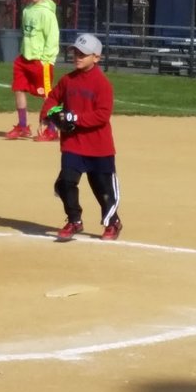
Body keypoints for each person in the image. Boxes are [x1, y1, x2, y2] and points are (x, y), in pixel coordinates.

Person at [39, 32, 123, 241]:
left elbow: (102, 115)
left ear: (96, 57)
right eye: (75, 52)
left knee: (103, 191)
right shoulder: (68, 80)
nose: (77, 56)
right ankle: (74, 220)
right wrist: (46, 116)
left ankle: (112, 222)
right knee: (65, 182)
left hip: (98, 147)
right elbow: (53, 98)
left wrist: (75, 118)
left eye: (83, 54)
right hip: (73, 144)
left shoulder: (102, 84)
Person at [5, 0, 60, 141]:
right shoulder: (27, 9)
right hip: (24, 58)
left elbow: (52, 38)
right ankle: (22, 126)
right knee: (19, 89)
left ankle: (52, 129)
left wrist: (46, 59)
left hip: (40, 60)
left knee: (48, 95)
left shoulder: (47, 14)